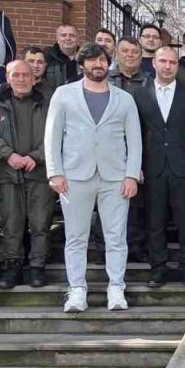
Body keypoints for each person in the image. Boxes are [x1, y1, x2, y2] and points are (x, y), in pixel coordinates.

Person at [44, 42, 142, 313]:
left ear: (108, 64)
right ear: (82, 64)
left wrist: (132, 175)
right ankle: (76, 290)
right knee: (76, 236)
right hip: (75, 176)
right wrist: (55, 172)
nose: (97, 65)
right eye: (92, 60)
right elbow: (52, 136)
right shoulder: (64, 94)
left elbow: (135, 141)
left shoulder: (124, 98)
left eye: (102, 60)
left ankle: (116, 287)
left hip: (115, 177)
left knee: (116, 236)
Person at [134, 47, 185, 287]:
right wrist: (135, 166)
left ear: (178, 66)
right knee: (155, 221)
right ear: (154, 63)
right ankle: (158, 268)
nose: (167, 66)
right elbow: (133, 134)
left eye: (172, 62)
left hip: (184, 169)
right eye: (163, 61)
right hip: (152, 169)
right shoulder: (139, 95)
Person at [0, 59, 53, 290]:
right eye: (16, 75)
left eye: (26, 75)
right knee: (12, 223)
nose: (21, 79)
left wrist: (36, 157)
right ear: (7, 77)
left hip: (39, 173)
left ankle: (37, 268)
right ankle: (13, 267)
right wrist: (8, 155)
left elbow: (57, 133)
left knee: (40, 223)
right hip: (7, 173)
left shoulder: (48, 104)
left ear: (33, 77)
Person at [109, 36, 152, 263]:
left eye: (134, 52)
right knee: (107, 205)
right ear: (117, 53)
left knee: (138, 204)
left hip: (141, 147)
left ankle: (135, 248)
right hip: (110, 150)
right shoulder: (106, 80)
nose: (130, 56)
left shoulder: (148, 81)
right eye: (125, 51)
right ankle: (103, 248)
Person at [43, 24, 81, 93]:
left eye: (72, 35)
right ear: (57, 39)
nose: (68, 38)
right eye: (63, 35)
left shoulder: (85, 59)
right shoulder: (47, 57)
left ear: (78, 39)